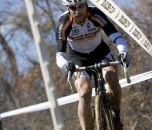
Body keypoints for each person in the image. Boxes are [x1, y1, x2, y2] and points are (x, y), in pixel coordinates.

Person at [55, 0, 130, 129]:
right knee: (84, 93)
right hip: (78, 58)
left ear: (86, 5)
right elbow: (59, 54)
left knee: (112, 78)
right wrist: (65, 65)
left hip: (101, 53)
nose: (77, 11)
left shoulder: (96, 14)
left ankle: (116, 115)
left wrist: (123, 52)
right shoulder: (64, 22)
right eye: (73, 7)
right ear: (68, 8)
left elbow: (116, 37)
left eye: (81, 6)